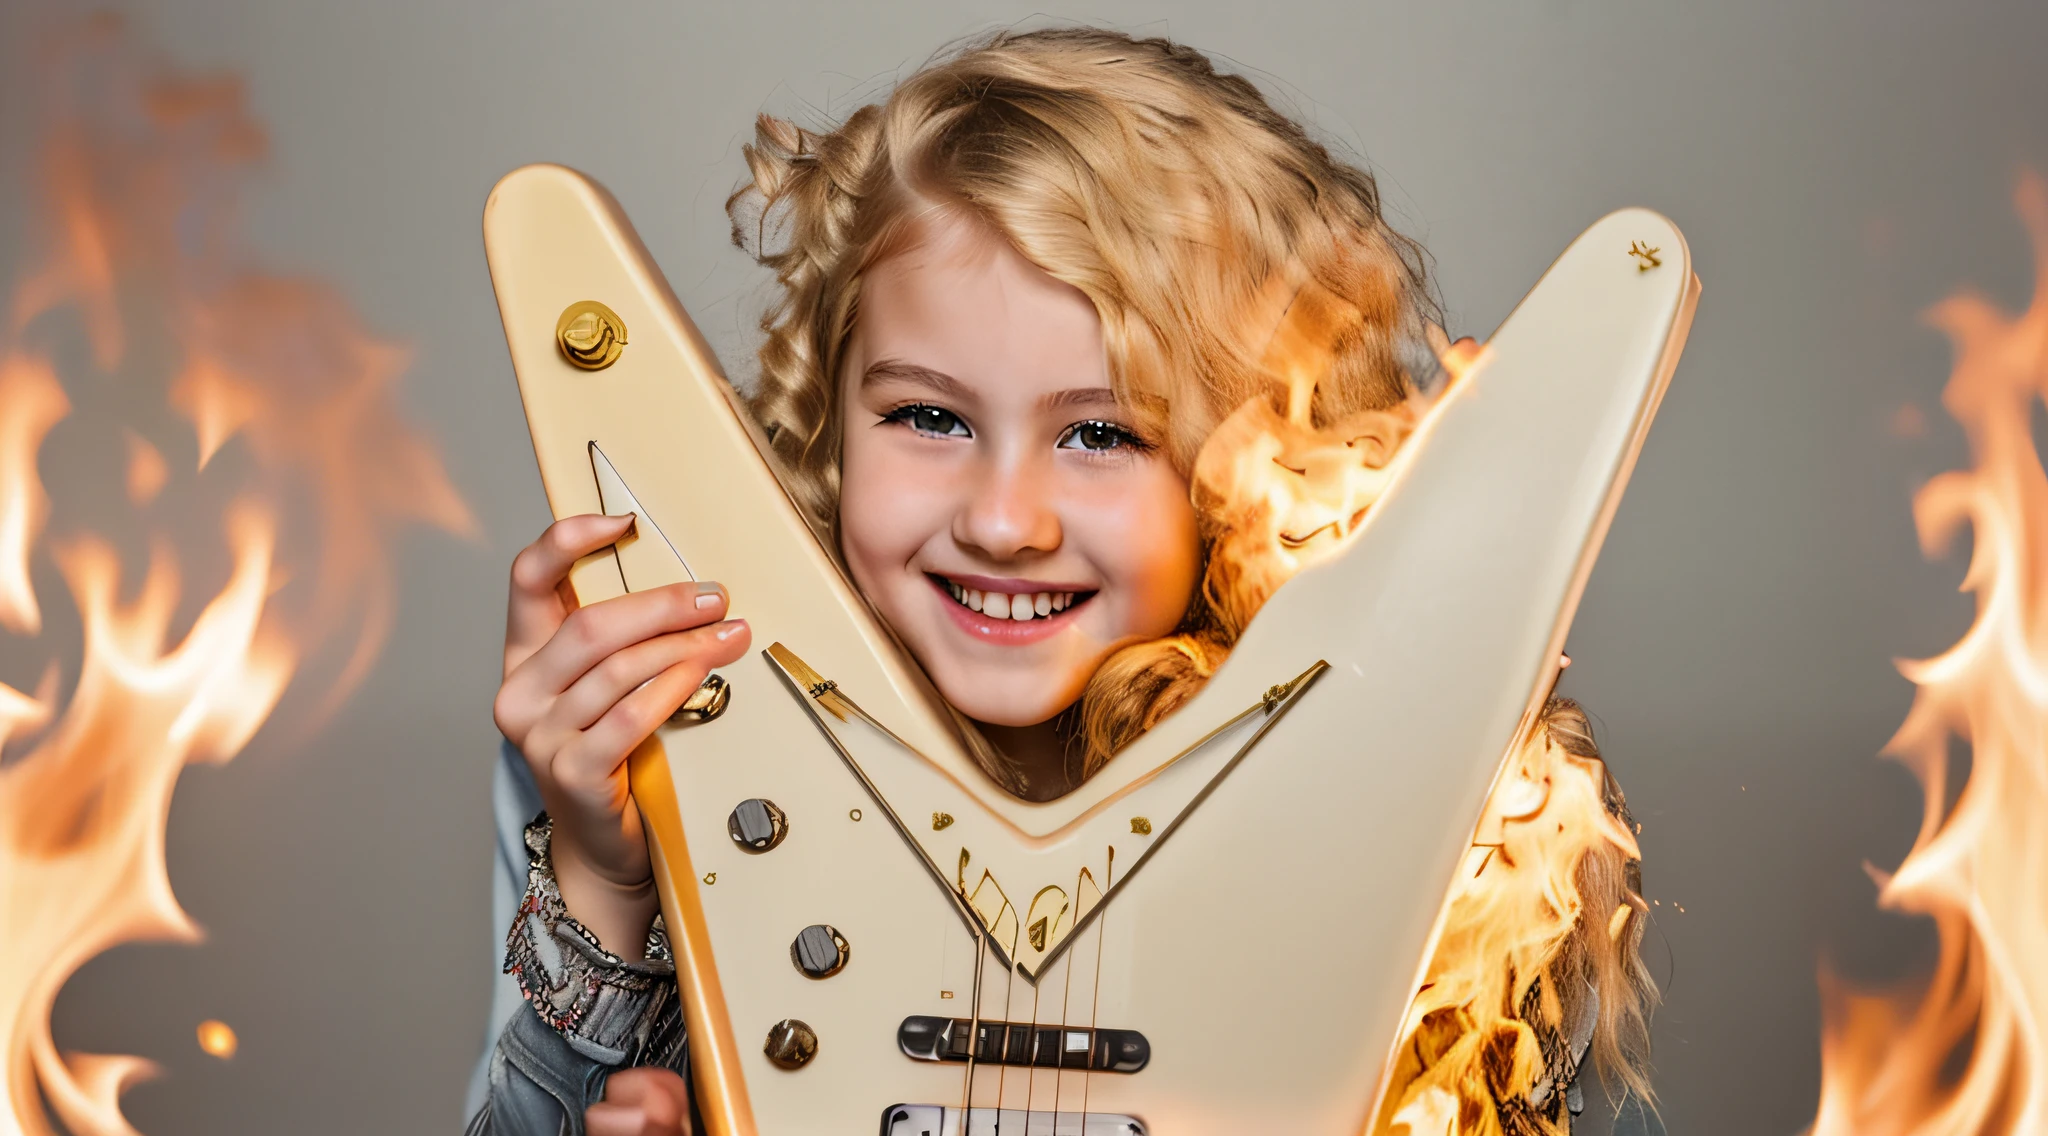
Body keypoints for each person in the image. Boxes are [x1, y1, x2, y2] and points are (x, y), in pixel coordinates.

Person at [465, 27, 1651, 1136]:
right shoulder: (648, 749)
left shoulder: (1441, 796)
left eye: (1100, 434)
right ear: (831, 425)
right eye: (927, 415)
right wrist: (604, 883)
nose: (1000, 520)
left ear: (1254, 468)